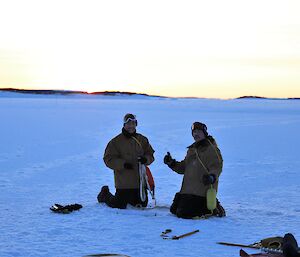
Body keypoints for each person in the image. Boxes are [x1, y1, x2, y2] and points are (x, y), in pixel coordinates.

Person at [163, 122, 225, 219]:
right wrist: (172, 163)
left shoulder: (211, 149)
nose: (196, 134)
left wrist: (211, 177)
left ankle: (214, 207)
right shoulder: (192, 150)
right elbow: (184, 167)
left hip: (200, 192)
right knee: (175, 210)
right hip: (187, 191)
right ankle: (212, 205)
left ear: (205, 133)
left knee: (186, 214)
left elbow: (216, 166)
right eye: (194, 132)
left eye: (199, 131)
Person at [98, 113, 155, 209]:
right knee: (119, 205)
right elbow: (108, 159)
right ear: (124, 125)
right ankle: (104, 194)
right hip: (124, 183)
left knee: (142, 204)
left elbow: (150, 155)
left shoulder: (142, 139)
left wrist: (146, 159)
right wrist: (123, 164)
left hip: (140, 183)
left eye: (133, 123)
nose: (131, 126)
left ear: (136, 124)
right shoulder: (115, 142)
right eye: (128, 124)